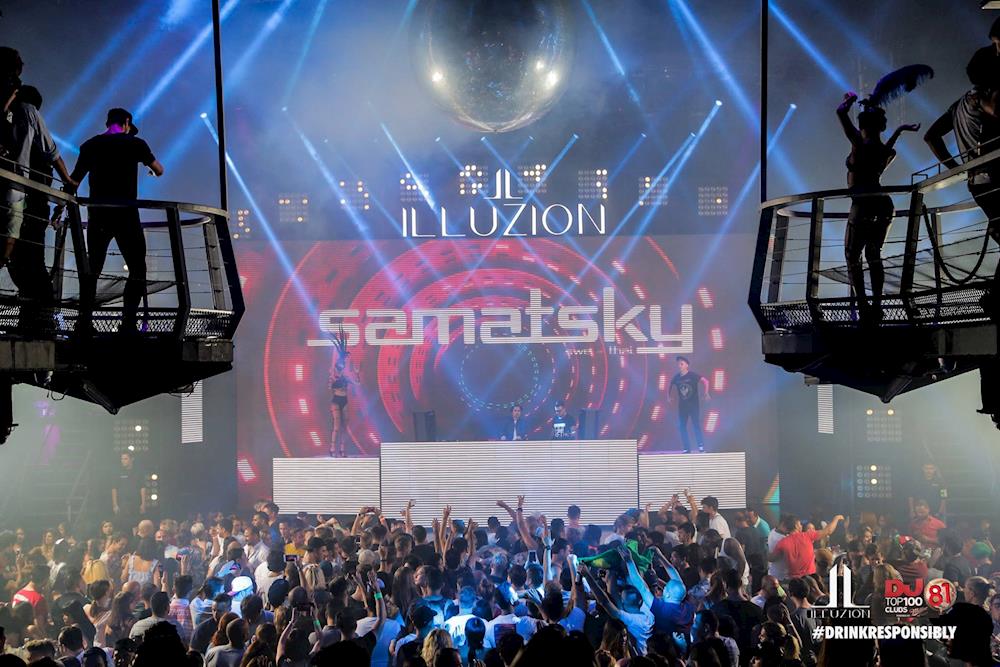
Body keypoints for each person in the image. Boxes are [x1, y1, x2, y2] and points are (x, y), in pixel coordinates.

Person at [68, 107, 164, 335]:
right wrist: (150, 172)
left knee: (93, 269)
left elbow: (74, 181)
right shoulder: (136, 144)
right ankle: (128, 324)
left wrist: (61, 207)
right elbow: (159, 169)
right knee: (138, 269)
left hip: (98, 215)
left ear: (108, 122)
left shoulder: (90, 145)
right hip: (126, 216)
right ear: (127, 122)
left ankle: (84, 322)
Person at [836, 90, 919, 322]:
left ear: (862, 126)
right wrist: (898, 132)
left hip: (862, 205)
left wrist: (849, 101)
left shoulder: (858, 144)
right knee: (874, 254)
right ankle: (877, 305)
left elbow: (841, 114)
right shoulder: (885, 151)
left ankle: (863, 306)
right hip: (882, 205)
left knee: (852, 256)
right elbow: (882, 155)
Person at [0, 49, 75, 274]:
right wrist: (68, 181)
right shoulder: (28, 111)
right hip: (16, 185)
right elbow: (52, 153)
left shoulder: (10, 110)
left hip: (12, 182)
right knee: (14, 235)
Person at [768, 514, 844, 579]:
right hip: (810, 578)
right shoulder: (807, 536)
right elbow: (828, 530)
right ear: (796, 526)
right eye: (800, 524)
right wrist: (836, 518)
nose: (801, 526)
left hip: (794, 581)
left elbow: (772, 558)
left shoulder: (782, 543)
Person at [669, 356, 710, 453]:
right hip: (682, 407)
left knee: (696, 425)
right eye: (678, 364)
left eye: (681, 364)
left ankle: (701, 446)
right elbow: (670, 385)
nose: (679, 366)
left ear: (687, 365)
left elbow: (705, 381)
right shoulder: (676, 377)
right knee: (682, 427)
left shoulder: (692, 375)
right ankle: (686, 448)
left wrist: (706, 393)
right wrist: (668, 396)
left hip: (693, 406)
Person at [327, 329, 357, 458]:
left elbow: (358, 383)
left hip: (344, 400)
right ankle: (332, 448)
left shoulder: (346, 376)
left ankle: (342, 449)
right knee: (337, 426)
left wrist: (356, 372)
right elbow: (330, 385)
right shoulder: (334, 375)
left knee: (345, 426)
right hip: (336, 401)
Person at [112, 451, 147, 528]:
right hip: (122, 503)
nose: (123, 461)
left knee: (136, 524)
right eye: (122, 459)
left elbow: (142, 488)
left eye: (125, 459)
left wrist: (143, 503)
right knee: (121, 524)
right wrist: (115, 504)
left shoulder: (138, 472)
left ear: (132, 459)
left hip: (135, 502)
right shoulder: (118, 472)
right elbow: (114, 488)